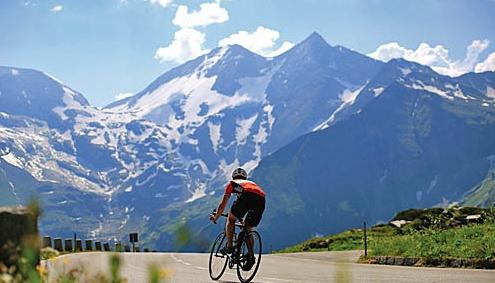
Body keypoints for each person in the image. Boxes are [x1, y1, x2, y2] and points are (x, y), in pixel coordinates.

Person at [209, 167, 266, 271]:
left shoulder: (232, 184)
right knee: (247, 228)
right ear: (245, 177)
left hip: (247, 196)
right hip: (261, 199)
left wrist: (215, 217)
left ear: (233, 177)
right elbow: (247, 204)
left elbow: (222, 205)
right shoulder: (251, 183)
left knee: (230, 220)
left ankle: (229, 247)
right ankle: (250, 256)